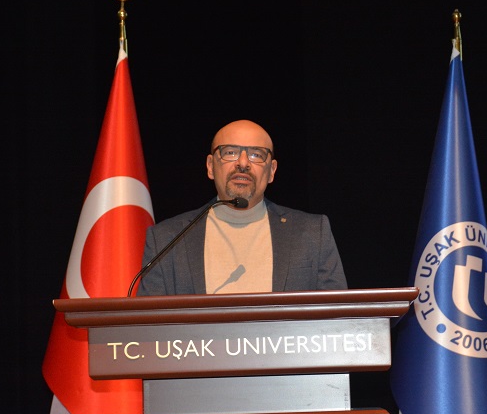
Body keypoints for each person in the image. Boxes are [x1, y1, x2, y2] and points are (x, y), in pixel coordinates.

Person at [138, 119, 347, 296]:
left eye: (257, 154)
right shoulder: (166, 240)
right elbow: (150, 323)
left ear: (272, 171)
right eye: (230, 152)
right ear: (210, 166)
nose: (243, 163)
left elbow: (338, 318)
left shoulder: (312, 234)